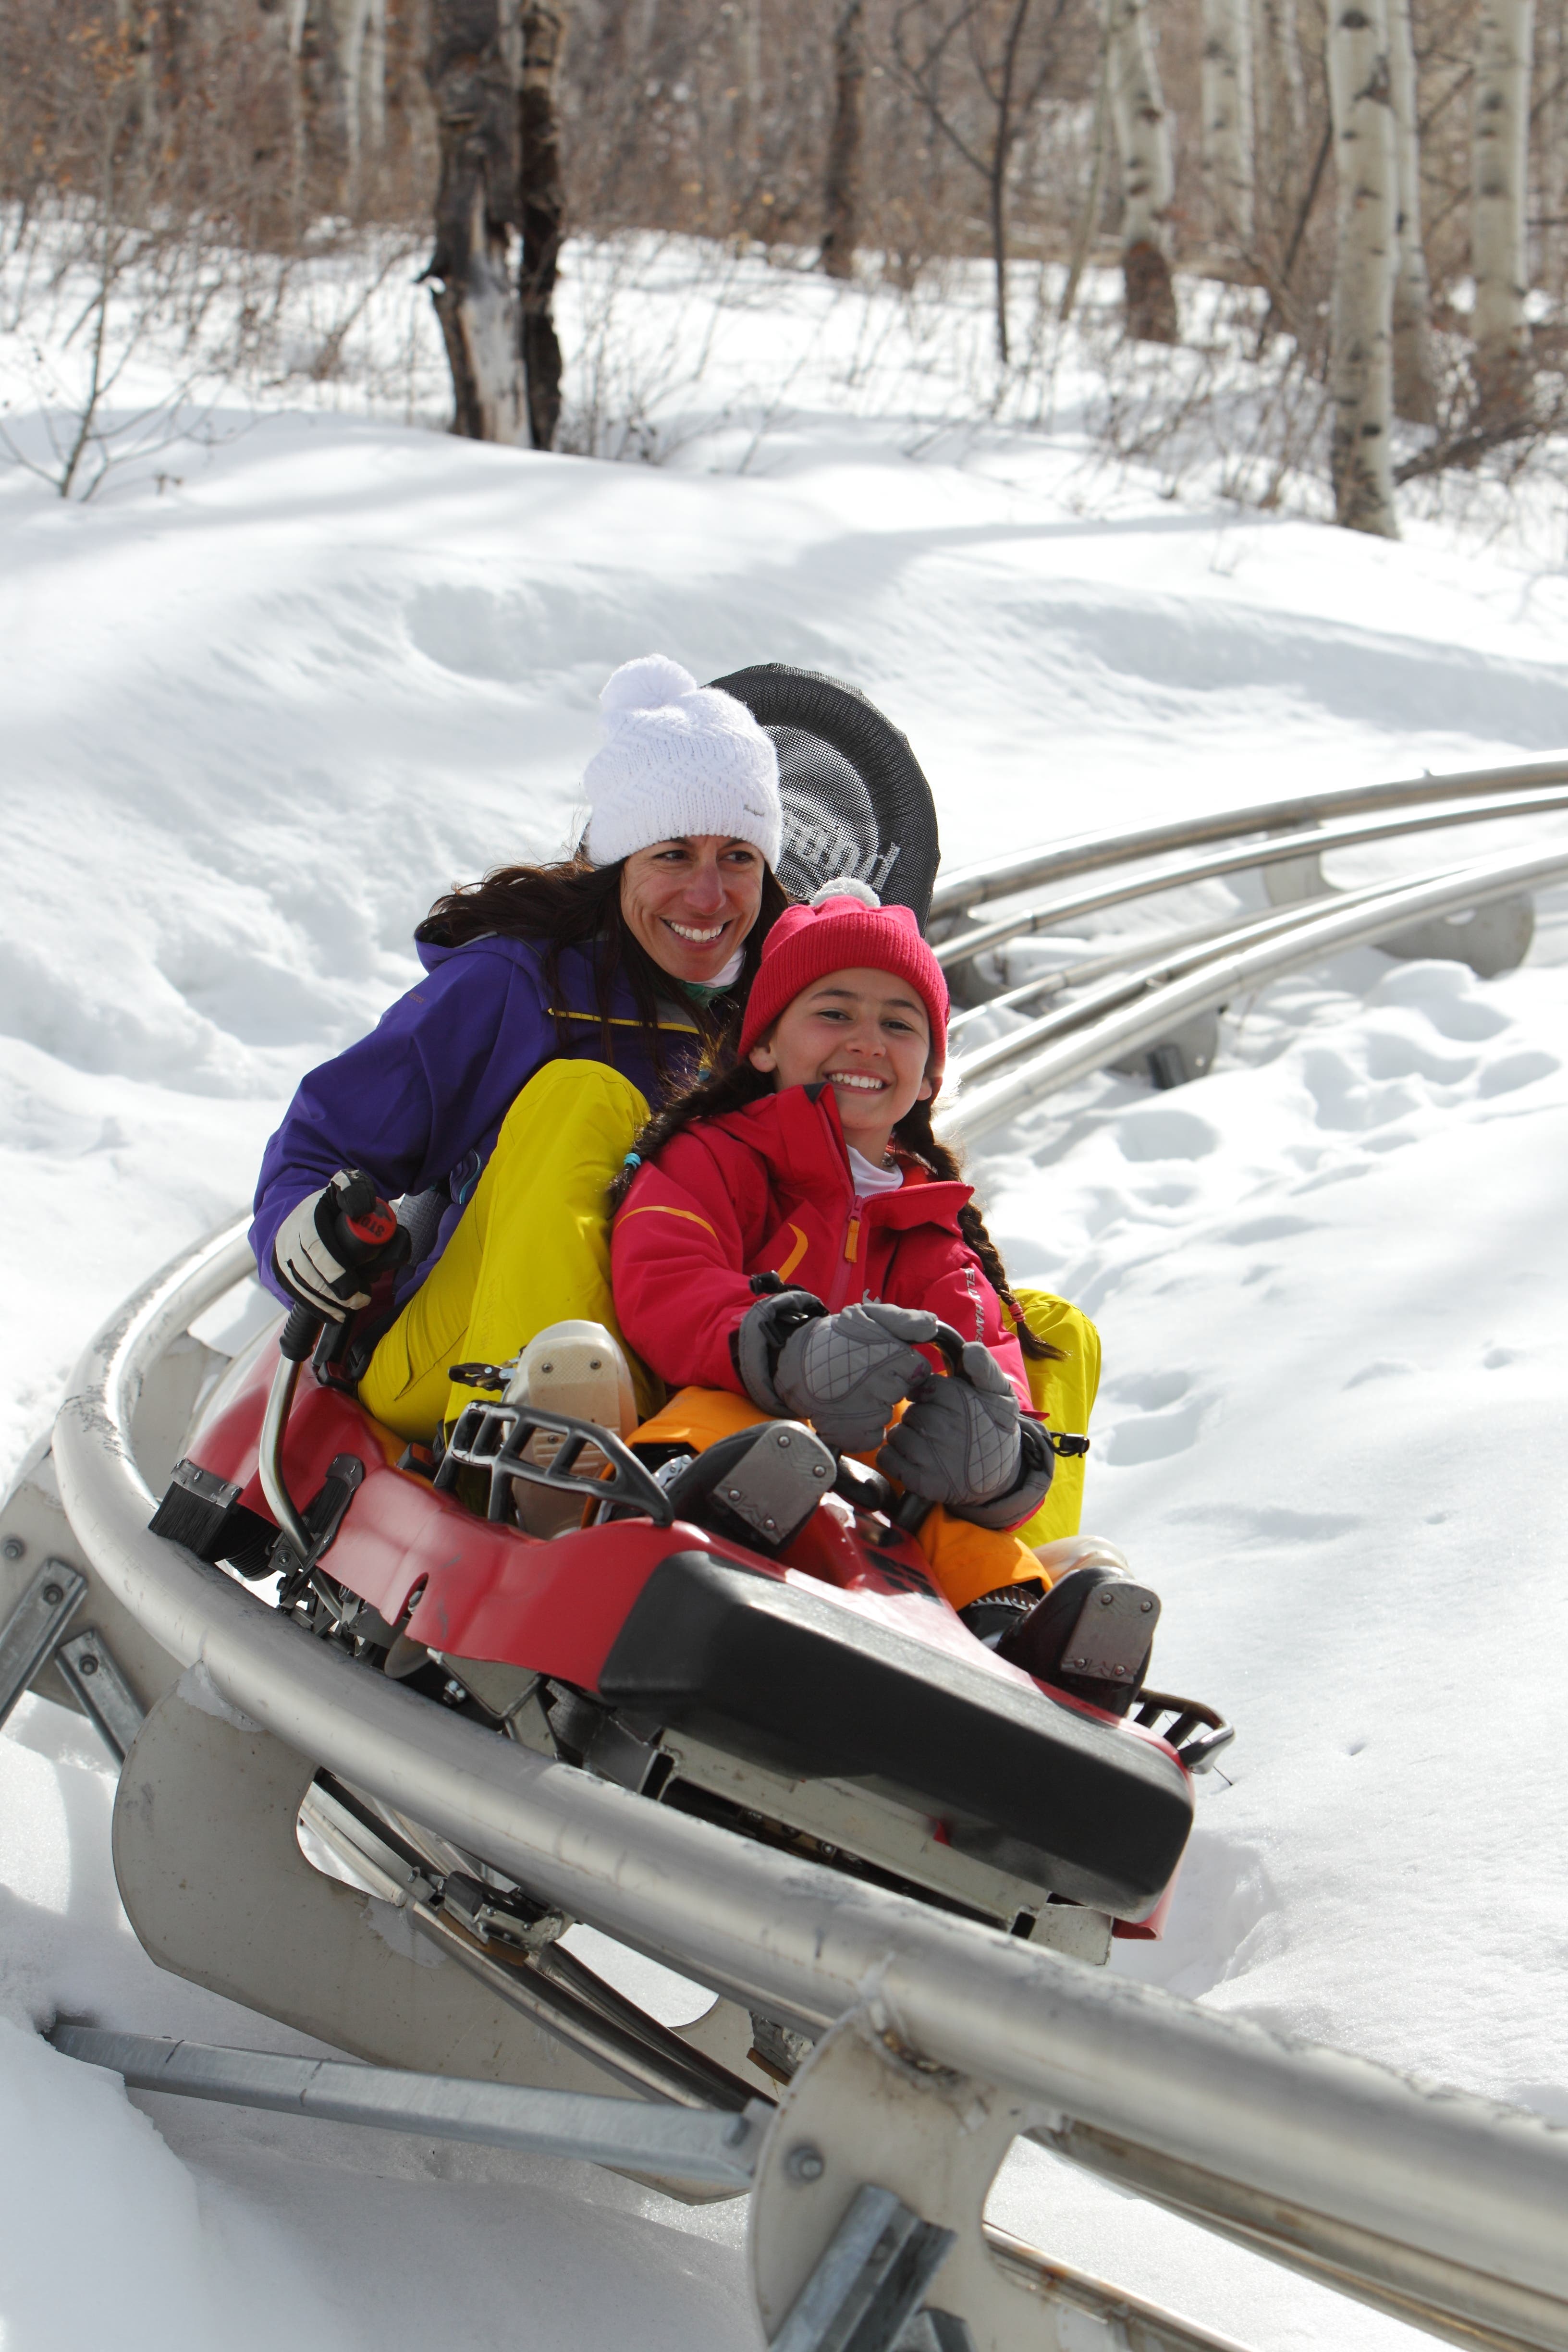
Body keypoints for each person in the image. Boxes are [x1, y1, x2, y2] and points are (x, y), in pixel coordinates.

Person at [609, 882, 1159, 1711]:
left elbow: (993, 1362)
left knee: (960, 1519)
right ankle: (704, 1514)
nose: (867, 1041)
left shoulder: (933, 1231)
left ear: (931, 1074)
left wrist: (994, 1451)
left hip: (871, 1503)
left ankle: (1012, 1640)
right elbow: (667, 1278)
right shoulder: (715, 1157)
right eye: (834, 1013)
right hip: (723, 1432)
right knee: (742, 1419)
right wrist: (787, 1350)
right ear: (765, 1044)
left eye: (900, 1024)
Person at [251, 655, 789, 1442]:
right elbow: (326, 1139)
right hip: (461, 1355)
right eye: (673, 854)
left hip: (680, 1365)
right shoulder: (522, 984)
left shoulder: (787, 1020)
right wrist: (299, 1229)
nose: (708, 896)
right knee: (584, 1098)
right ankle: (531, 1442)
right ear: (619, 866)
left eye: (737, 856)